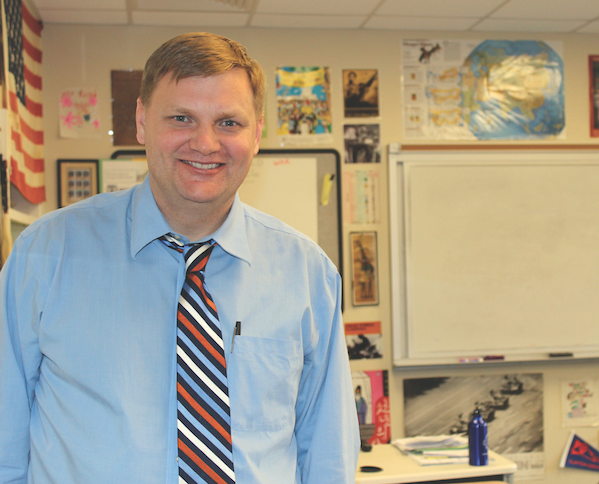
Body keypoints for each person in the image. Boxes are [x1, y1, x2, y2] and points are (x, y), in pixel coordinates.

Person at [0, 32, 359, 483]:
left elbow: (327, 456)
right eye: (182, 118)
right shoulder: (47, 253)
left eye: (229, 122)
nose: (206, 143)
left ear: (258, 133)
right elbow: (4, 444)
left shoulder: (307, 274)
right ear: (142, 121)